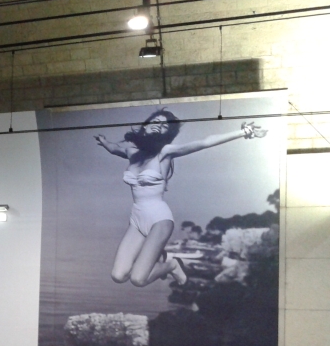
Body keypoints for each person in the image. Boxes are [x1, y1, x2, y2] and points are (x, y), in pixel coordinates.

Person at [94, 109, 267, 288]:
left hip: (159, 219)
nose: (159, 126)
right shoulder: (132, 153)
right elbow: (114, 148)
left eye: (164, 125)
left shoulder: (165, 152)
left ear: (167, 133)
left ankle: (172, 264)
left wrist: (244, 132)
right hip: (136, 219)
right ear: (146, 126)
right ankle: (160, 259)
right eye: (155, 122)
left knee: (138, 279)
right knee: (118, 275)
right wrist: (104, 142)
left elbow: (205, 142)